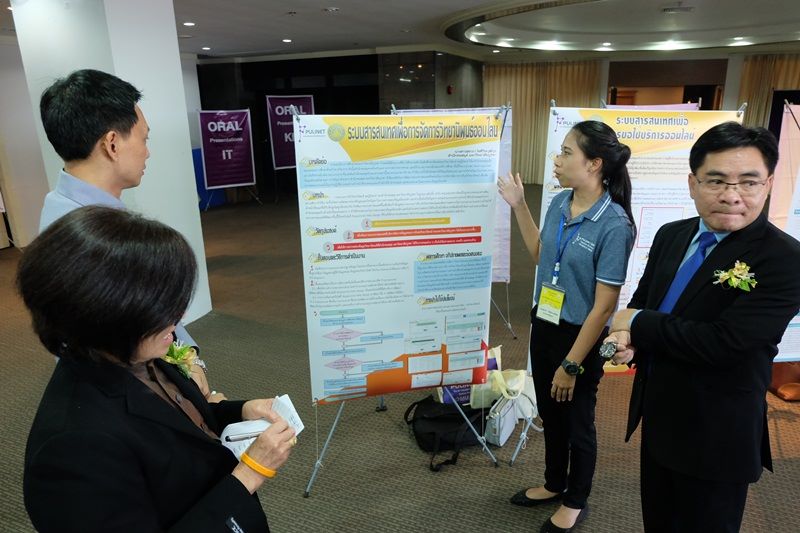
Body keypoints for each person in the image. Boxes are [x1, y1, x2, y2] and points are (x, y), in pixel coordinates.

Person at [19, 206, 295, 532]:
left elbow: (178, 422)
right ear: (103, 317)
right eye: (160, 308)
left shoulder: (135, 355)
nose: (179, 318)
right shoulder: (72, 451)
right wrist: (250, 473)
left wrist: (241, 411)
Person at [606, 121, 800, 533]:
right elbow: (646, 298)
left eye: (749, 182)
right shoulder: (671, 235)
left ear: (768, 185)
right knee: (658, 521)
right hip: (658, 413)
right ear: (692, 183)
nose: (732, 195)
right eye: (716, 181)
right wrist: (628, 338)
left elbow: (725, 343)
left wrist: (636, 322)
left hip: (717, 432)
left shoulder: (785, 259)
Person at [38, 68, 223, 401]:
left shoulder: (72, 209)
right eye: (144, 138)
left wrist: (190, 358)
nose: (147, 151)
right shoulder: (82, 239)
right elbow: (112, 360)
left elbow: (151, 309)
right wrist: (184, 388)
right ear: (112, 144)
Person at [499, 121, 636, 533]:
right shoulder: (560, 202)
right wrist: (519, 205)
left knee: (578, 423)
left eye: (566, 152)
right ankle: (554, 482)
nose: (556, 161)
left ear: (594, 164)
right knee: (550, 412)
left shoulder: (614, 224)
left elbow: (604, 307)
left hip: (581, 337)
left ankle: (576, 500)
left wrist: (571, 364)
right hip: (545, 323)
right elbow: (541, 254)